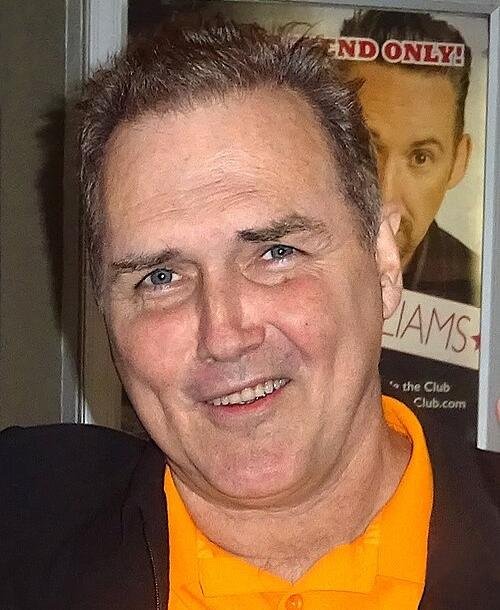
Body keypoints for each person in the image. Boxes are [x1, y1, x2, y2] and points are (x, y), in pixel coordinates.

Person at [0, 20, 498, 610]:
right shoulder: (23, 529)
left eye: (276, 252)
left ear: (384, 265)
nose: (224, 334)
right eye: (160, 277)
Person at [339, 10, 480, 306]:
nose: (386, 193)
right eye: (365, 148)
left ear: (458, 162)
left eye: (420, 158)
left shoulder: (478, 291)